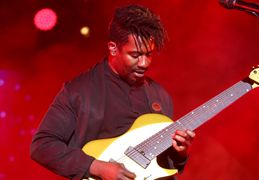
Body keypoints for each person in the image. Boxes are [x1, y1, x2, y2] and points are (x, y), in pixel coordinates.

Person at [30, 4, 195, 180]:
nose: (144, 63)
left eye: (149, 54)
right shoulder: (78, 92)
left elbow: (163, 165)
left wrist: (179, 154)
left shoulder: (159, 95)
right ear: (113, 48)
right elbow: (42, 145)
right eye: (136, 55)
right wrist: (96, 167)